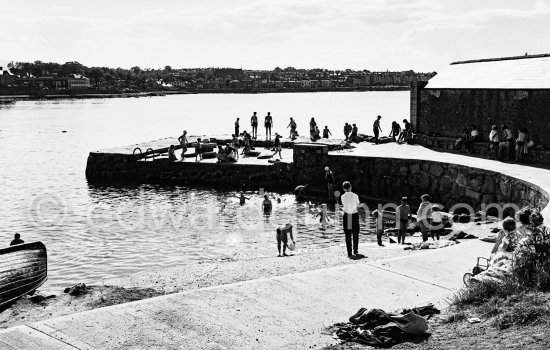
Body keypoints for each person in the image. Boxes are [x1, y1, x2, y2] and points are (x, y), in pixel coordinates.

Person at [341, 181, 363, 257]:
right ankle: (355, 250)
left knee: (348, 234)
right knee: (355, 233)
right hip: (354, 215)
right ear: (350, 187)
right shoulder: (355, 195)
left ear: (344, 188)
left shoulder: (342, 196)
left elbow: (344, 204)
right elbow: (358, 205)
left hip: (347, 215)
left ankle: (349, 252)